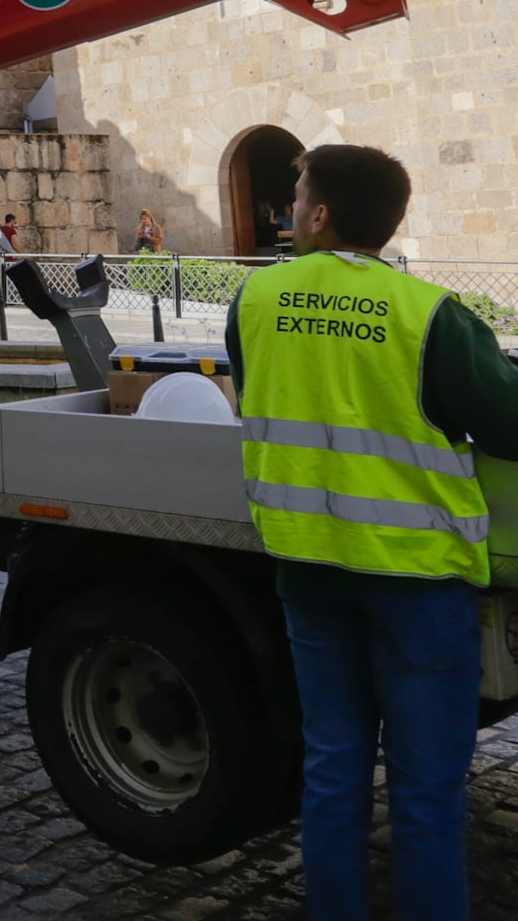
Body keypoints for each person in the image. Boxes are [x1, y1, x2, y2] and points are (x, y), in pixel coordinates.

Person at [229, 145, 518, 920]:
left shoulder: (255, 300)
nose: (289, 211)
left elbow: (259, 393)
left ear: (321, 215)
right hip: (417, 583)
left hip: (309, 572)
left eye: (295, 198)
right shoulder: (428, 314)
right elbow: (508, 423)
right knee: (425, 789)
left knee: (332, 773)